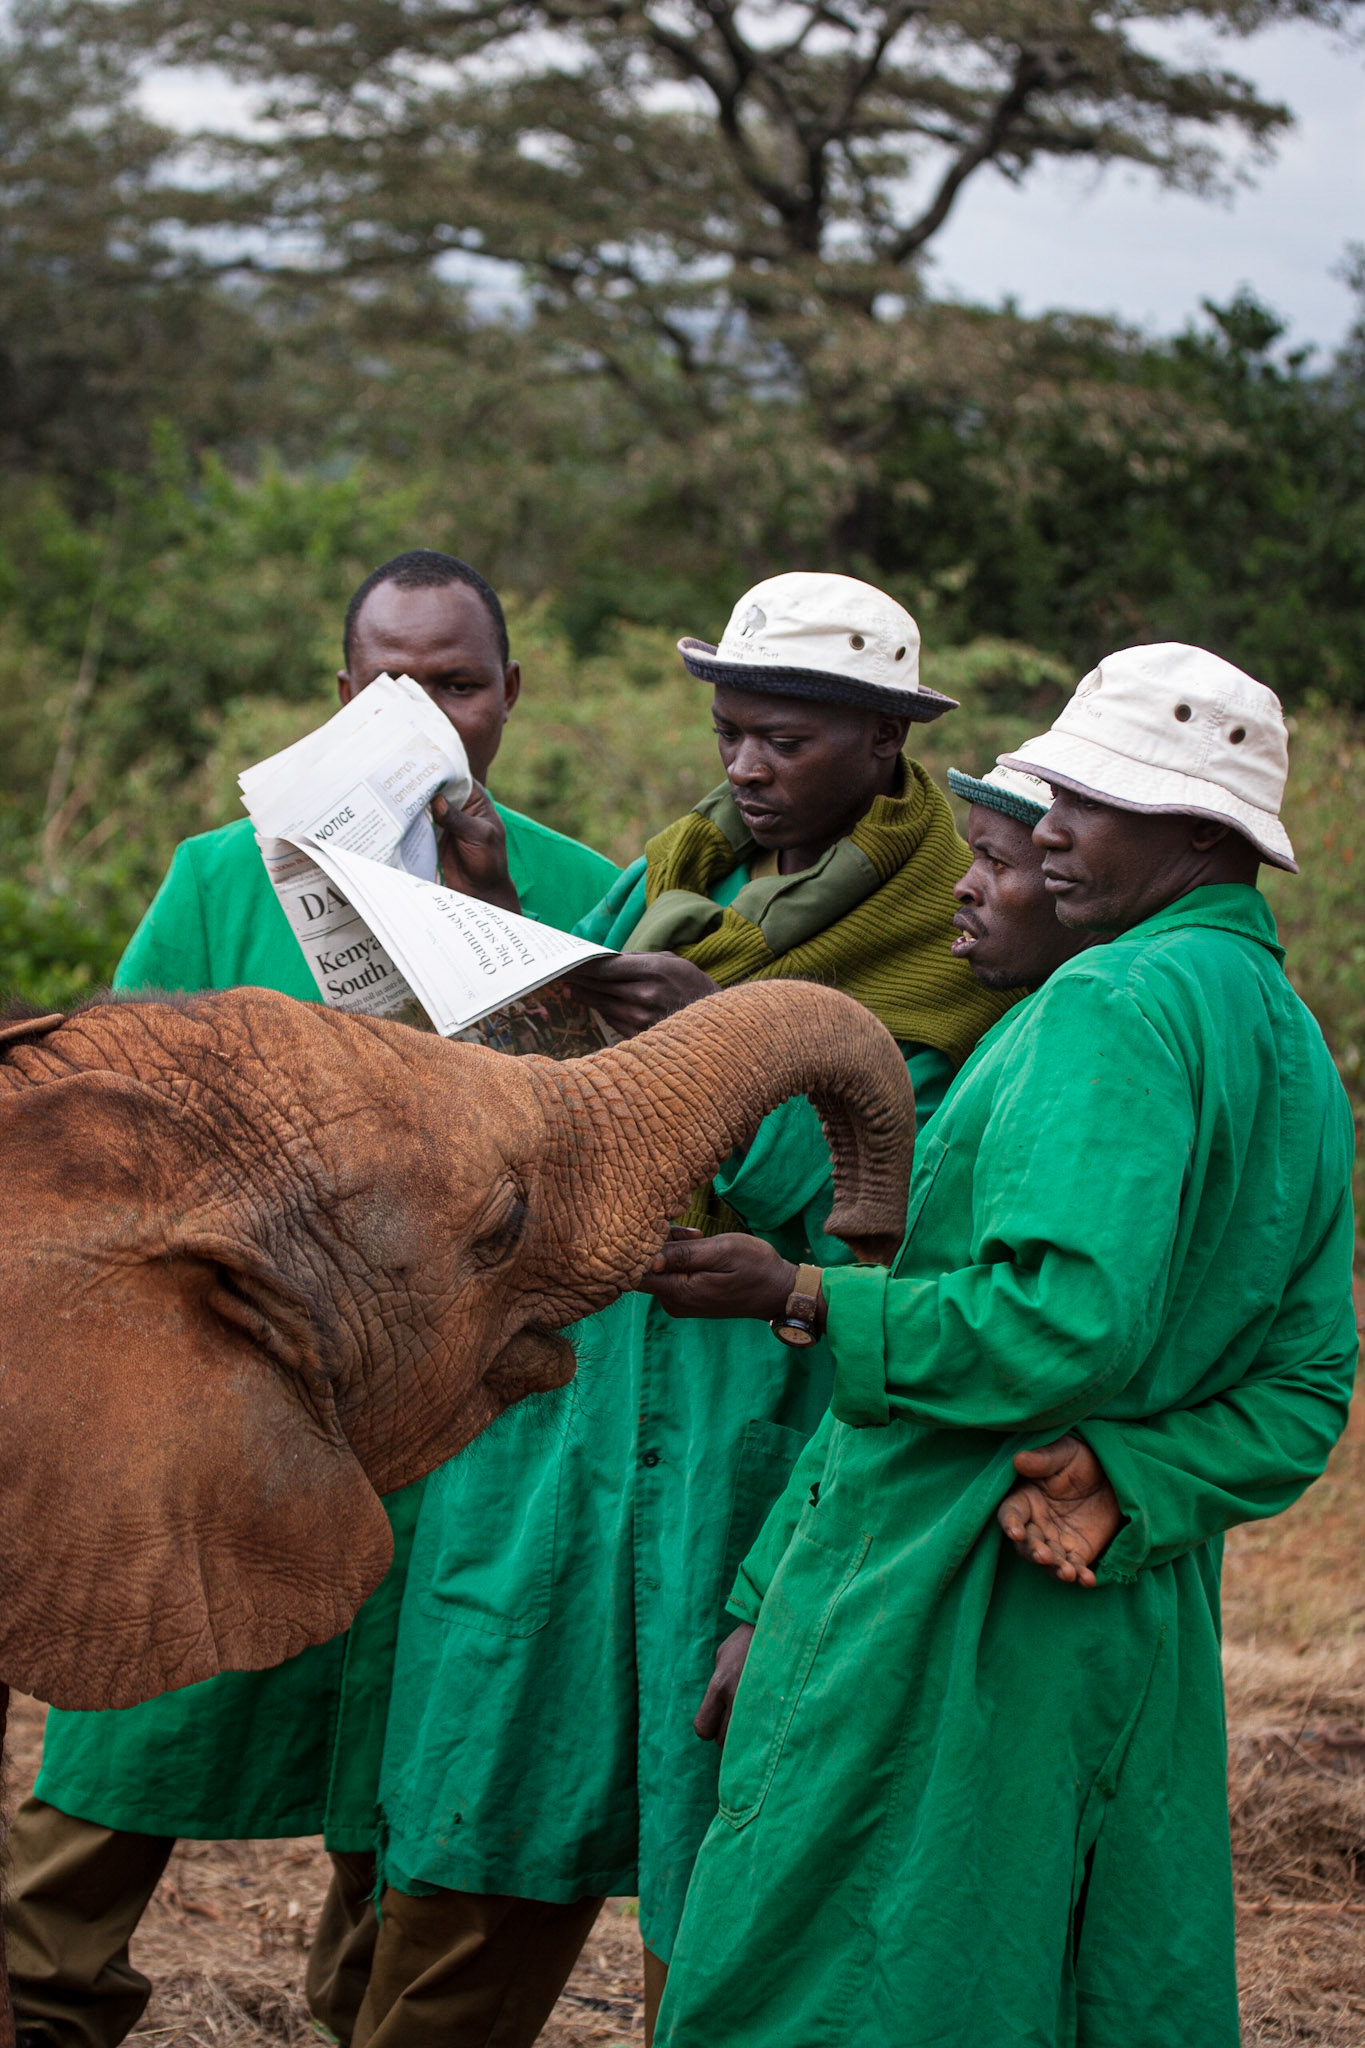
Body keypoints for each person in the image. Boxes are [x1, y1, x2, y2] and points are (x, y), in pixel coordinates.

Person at [642, 643, 1358, 2048]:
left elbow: (1055, 1324)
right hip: (1121, 1616)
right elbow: (1303, 1393)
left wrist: (799, 1295)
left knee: (844, 1975)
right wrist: (1133, 1476)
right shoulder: (1286, 1043)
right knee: (1052, 1975)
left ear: (1200, 836)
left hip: (943, 1592)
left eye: (1087, 804)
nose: (1048, 834)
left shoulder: (1106, 1007)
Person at [358, 572, 1017, 2048]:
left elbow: (901, 1174)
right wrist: (495, 920)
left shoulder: (957, 930)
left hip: (754, 1420)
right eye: (730, 733)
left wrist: (713, 1068)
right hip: (570, 1416)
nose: (744, 768)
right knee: (486, 1805)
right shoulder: (677, 871)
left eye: (783, 741)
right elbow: (533, 1090)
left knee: (723, 1846)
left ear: (877, 744)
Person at [4, 550, 620, 2048]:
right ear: (341, 699)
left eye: (457, 684)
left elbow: (589, 1163)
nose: (424, 714)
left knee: (403, 1793)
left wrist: (508, 935)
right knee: (122, 1756)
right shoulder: (229, 872)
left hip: (455, 1430)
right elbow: (112, 1099)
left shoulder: (585, 886)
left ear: (510, 699)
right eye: (390, 684)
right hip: (228, 1399)